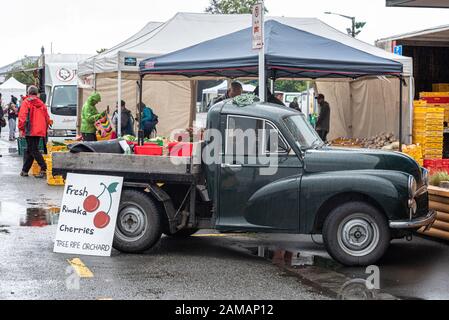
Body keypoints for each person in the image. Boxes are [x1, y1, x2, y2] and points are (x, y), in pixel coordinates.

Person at [18, 86, 50, 178]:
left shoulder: (26, 102)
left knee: (33, 149)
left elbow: (22, 117)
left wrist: (21, 129)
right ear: (37, 94)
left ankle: (44, 168)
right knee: (30, 149)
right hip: (39, 129)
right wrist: (46, 126)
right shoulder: (41, 103)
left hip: (30, 129)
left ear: (28, 93)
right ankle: (25, 170)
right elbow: (46, 117)